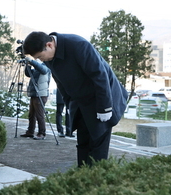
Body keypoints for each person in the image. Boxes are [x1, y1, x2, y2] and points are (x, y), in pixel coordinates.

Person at [22, 31, 128, 166]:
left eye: (40, 56)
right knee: (83, 142)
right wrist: (69, 104)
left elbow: (100, 76)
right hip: (80, 101)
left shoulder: (78, 45)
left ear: (49, 45)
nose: (41, 61)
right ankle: (82, 176)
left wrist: (105, 107)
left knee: (98, 143)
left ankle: (98, 180)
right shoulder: (50, 57)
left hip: (102, 97)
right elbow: (61, 82)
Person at [20, 58, 51, 140]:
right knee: (31, 115)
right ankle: (30, 132)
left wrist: (32, 61)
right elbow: (28, 74)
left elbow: (42, 69)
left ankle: (42, 133)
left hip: (41, 94)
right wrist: (28, 65)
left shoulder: (46, 67)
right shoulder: (37, 69)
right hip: (34, 94)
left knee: (39, 115)